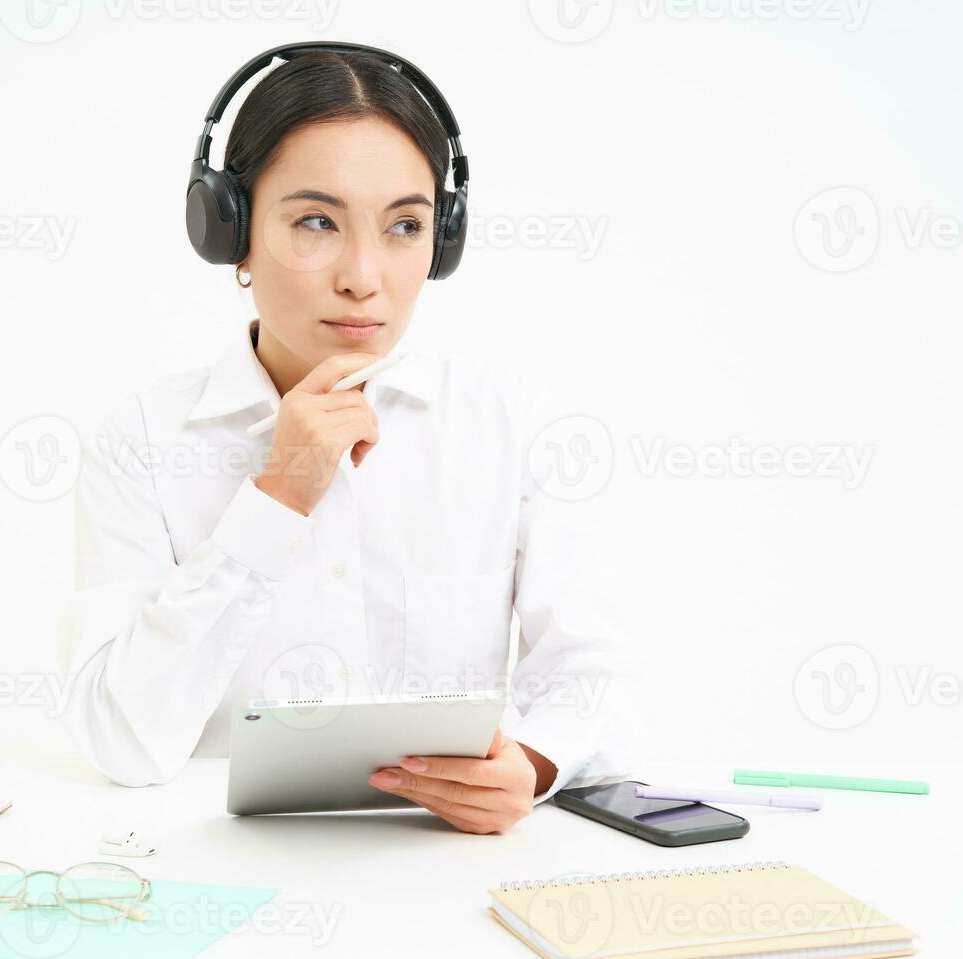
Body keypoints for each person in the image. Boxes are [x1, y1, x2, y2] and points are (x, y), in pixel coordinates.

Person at [60, 46, 636, 834]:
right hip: (212, 878)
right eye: (317, 222)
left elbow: (585, 666)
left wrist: (532, 766)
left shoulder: (511, 424)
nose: (364, 276)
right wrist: (277, 496)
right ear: (229, 230)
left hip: (441, 873)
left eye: (405, 225)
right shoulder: (143, 441)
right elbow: (122, 742)